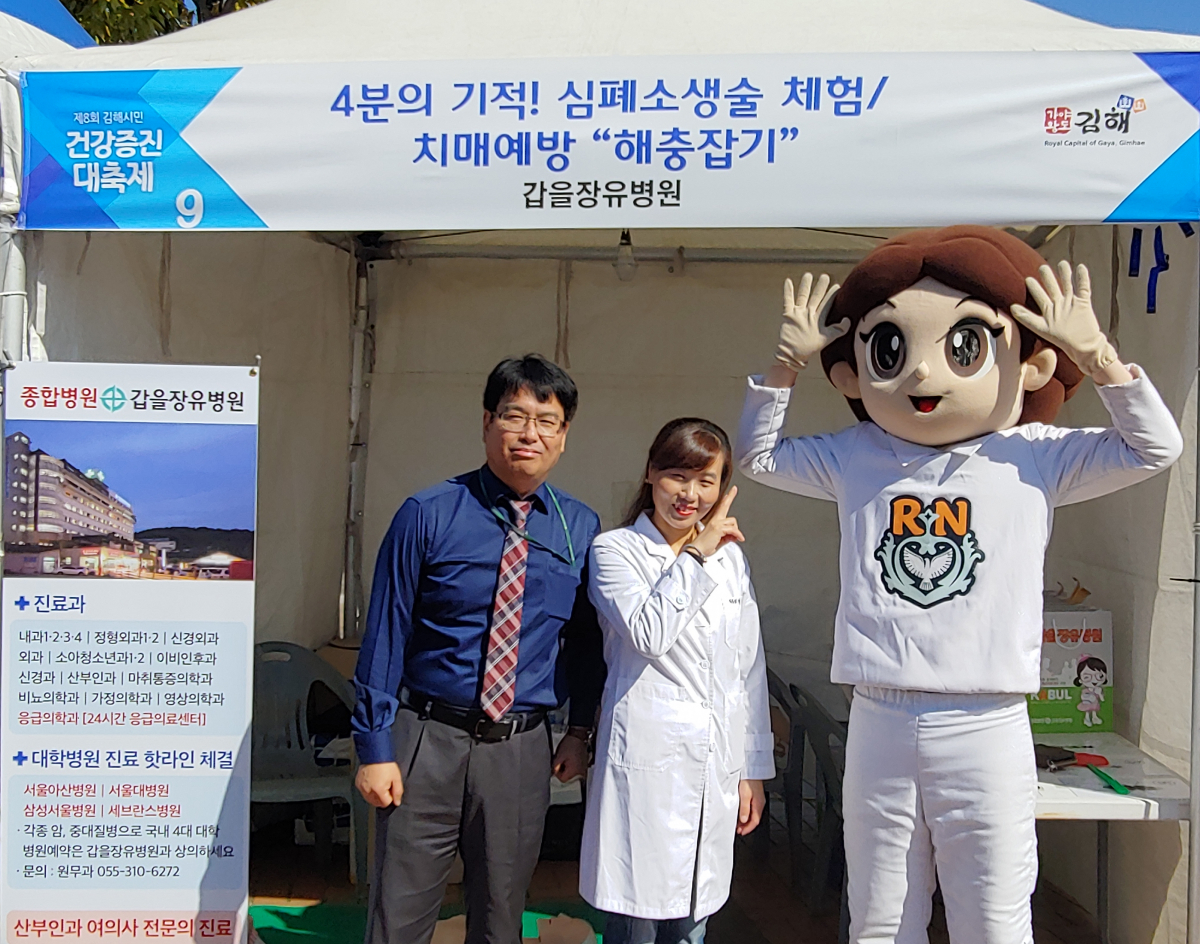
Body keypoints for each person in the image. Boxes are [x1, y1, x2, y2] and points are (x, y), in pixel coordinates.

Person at [735, 226, 1182, 944]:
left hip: (986, 718)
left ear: (1031, 366)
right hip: (880, 713)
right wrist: (784, 368)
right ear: (851, 374)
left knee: (994, 918)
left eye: (965, 344)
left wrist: (1099, 357)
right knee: (880, 919)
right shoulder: (855, 454)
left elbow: (1156, 446)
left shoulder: (1035, 455)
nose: (921, 371)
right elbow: (757, 458)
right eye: (890, 348)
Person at [352, 354, 605, 944]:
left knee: (500, 918)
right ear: (487, 421)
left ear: (564, 435)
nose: (529, 433)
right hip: (425, 742)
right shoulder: (428, 515)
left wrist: (580, 731)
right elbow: (385, 633)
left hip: (519, 750)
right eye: (515, 416)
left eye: (546, 421)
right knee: (397, 915)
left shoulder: (579, 527)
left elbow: (586, 643)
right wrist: (374, 746)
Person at [580, 418, 775, 944]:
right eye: (677, 477)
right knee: (637, 924)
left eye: (706, 481)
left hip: (715, 766)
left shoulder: (731, 560)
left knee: (692, 925)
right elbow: (649, 633)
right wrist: (696, 554)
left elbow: (747, 669)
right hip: (648, 765)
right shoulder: (615, 551)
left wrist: (752, 770)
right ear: (651, 473)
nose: (690, 495)